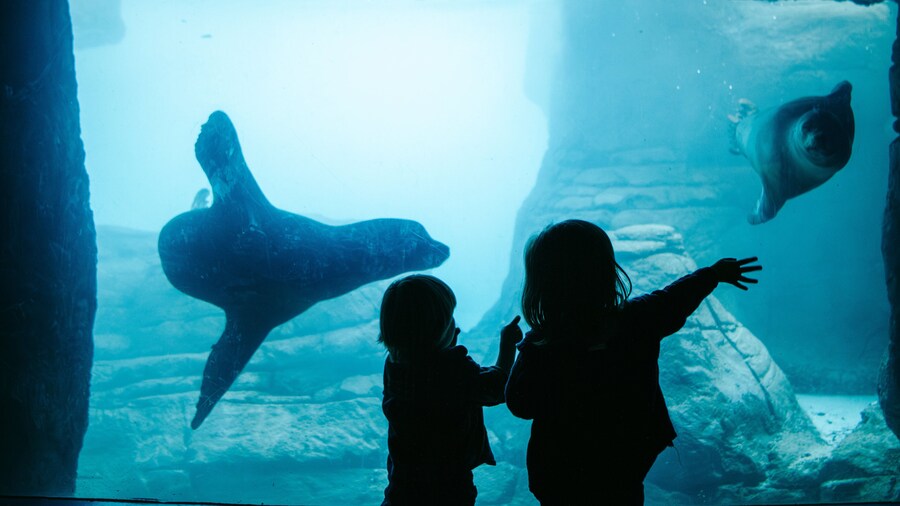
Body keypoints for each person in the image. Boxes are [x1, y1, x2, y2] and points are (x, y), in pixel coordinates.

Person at [504, 219, 761, 505]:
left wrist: (512, 351)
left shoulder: (541, 345)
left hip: (559, 473)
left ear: (541, 283)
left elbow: (519, 403)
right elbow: (673, 298)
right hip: (622, 464)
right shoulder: (635, 320)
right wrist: (713, 274)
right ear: (606, 271)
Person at [378, 274, 522, 505]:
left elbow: (430, 376)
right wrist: (507, 347)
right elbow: (495, 388)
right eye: (449, 319)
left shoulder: (394, 365)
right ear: (438, 329)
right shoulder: (454, 368)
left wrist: (444, 345)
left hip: (403, 485)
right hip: (448, 487)